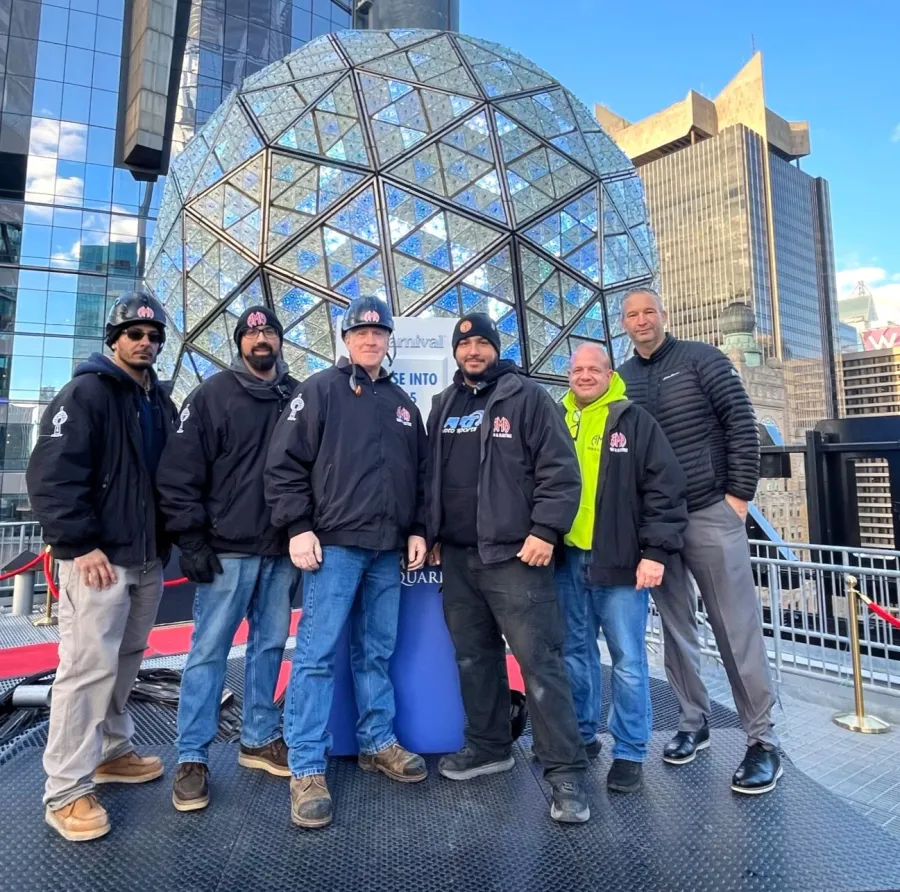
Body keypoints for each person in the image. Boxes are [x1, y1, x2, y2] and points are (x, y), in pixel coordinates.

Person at [265, 295, 428, 830]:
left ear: (388, 339)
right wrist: (298, 526)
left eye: (378, 333)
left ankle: (377, 741)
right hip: (332, 546)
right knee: (315, 655)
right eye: (361, 332)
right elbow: (283, 464)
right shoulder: (319, 390)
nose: (370, 340)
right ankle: (307, 767)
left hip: (388, 550)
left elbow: (421, 479)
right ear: (346, 338)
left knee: (375, 651)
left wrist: (419, 530)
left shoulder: (405, 404)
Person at [425, 312, 590, 824]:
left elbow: (562, 472)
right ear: (455, 352)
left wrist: (544, 531)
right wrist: (429, 533)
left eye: (481, 343)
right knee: (474, 660)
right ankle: (490, 746)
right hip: (457, 557)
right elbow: (428, 478)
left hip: (515, 556)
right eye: (465, 344)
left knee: (541, 665)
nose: (473, 351)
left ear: (496, 348)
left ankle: (565, 776)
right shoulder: (443, 404)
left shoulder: (528, 398)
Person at [25, 292, 176, 841]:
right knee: (86, 669)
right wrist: (78, 544)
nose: (146, 342)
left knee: (127, 661)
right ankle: (65, 790)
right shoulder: (85, 392)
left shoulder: (160, 399)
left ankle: (112, 751)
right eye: (135, 333)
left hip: (145, 559)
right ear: (113, 338)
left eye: (155, 335)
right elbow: (51, 475)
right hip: (97, 561)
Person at [618, 287, 781, 794]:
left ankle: (761, 739)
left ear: (663, 315)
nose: (642, 320)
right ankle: (694, 722)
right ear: (624, 323)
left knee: (737, 627)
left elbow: (741, 424)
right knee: (675, 627)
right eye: (632, 315)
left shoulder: (702, 360)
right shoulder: (621, 379)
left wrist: (738, 497)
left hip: (710, 510)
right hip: (657, 526)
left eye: (649, 311)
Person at [156, 305, 299, 812]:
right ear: (240, 343)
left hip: (280, 550)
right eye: (251, 332)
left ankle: (259, 737)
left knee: (269, 646)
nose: (261, 339)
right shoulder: (212, 395)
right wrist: (191, 538)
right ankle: (192, 756)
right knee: (208, 651)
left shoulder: (296, 395)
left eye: (268, 332)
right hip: (227, 551)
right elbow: (178, 472)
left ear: (280, 340)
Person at [555, 343, 687, 794]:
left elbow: (665, 490)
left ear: (611, 373)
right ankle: (582, 734)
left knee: (628, 660)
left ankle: (630, 750)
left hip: (622, 563)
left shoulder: (634, 421)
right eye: (578, 369)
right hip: (567, 559)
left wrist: (655, 553)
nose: (585, 375)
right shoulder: (557, 419)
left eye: (595, 368)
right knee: (576, 652)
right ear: (568, 374)